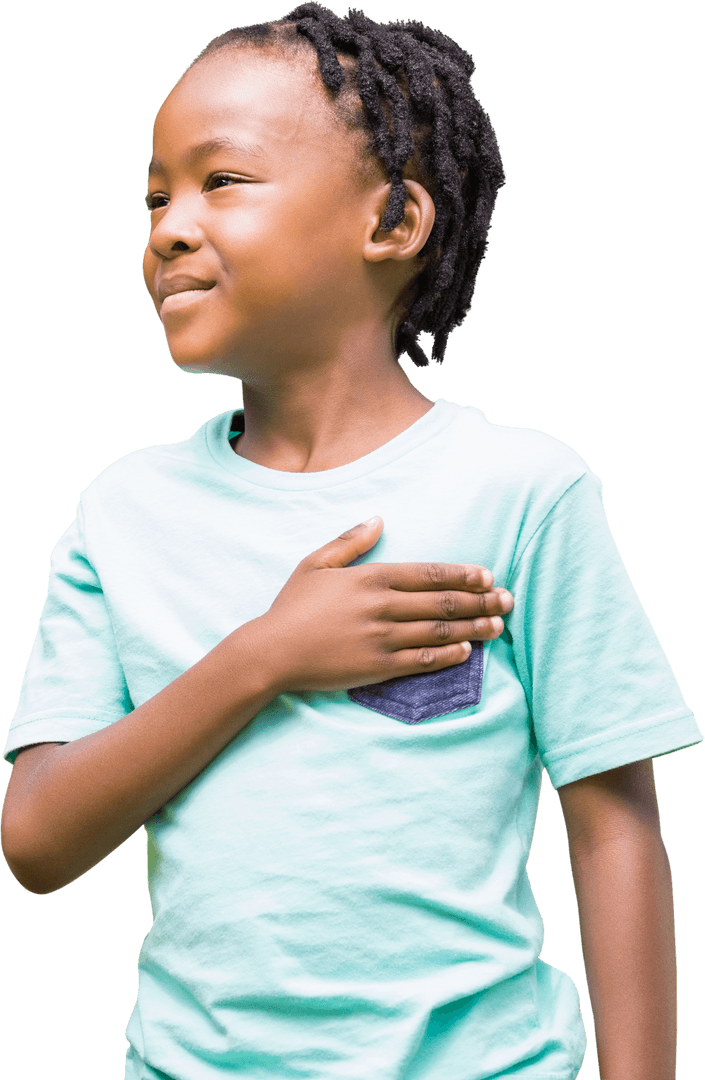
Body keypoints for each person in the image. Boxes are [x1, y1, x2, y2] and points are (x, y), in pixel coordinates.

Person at [1, 5, 701, 1079]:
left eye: (220, 181)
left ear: (392, 222)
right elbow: (37, 841)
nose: (170, 226)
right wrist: (267, 656)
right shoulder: (121, 510)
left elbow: (613, 830)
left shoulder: (523, 490)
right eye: (156, 195)